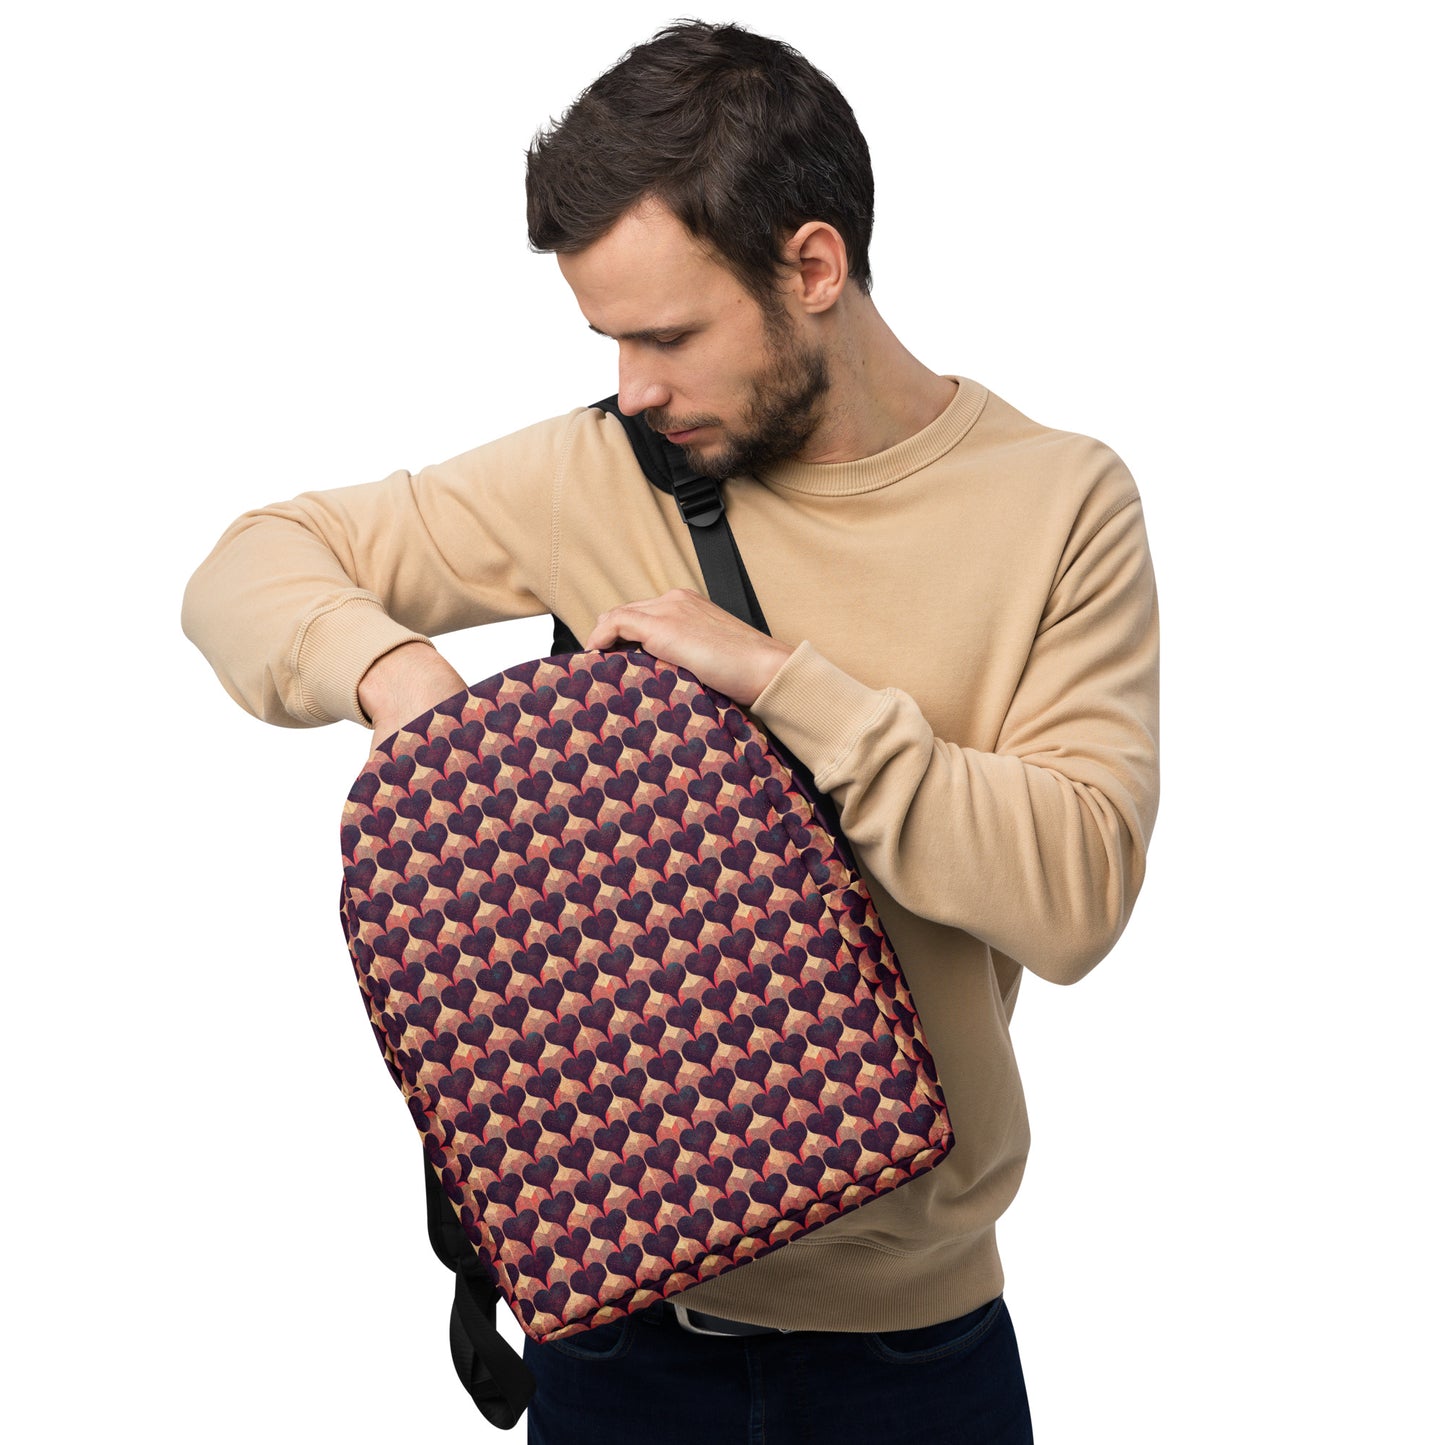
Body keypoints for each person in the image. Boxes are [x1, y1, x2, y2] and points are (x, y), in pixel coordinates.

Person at [182, 19, 1159, 1445]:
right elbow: (246, 566)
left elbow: (1073, 894)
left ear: (812, 267)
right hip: (614, 1340)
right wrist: (403, 685)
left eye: (669, 335)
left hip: (915, 1351)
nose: (634, 385)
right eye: (610, 340)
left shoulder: (1059, 501)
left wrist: (779, 684)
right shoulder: (604, 467)